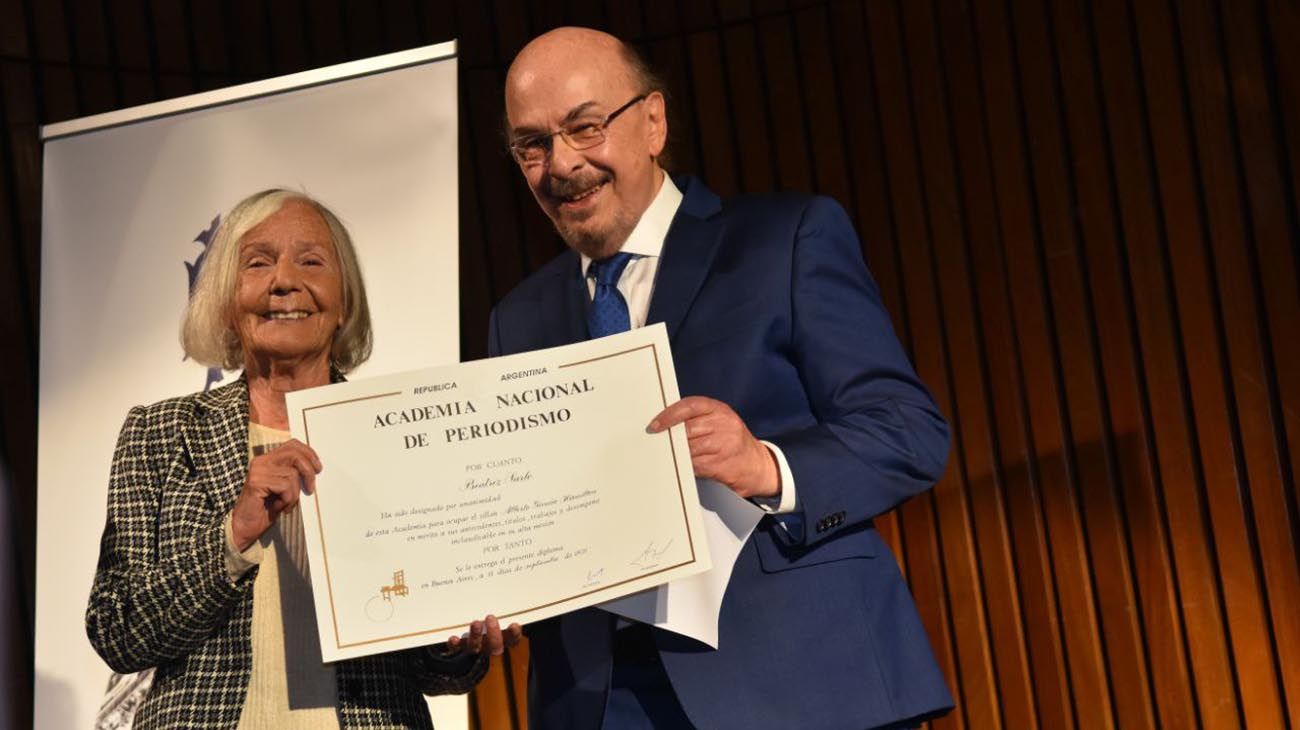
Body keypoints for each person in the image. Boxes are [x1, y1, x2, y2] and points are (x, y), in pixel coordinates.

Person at [489, 28, 954, 730]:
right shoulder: (515, 320)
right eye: (532, 144)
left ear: (653, 121)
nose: (561, 164)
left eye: (585, 127)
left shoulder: (785, 238)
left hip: (800, 679)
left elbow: (910, 433)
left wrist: (765, 464)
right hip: (598, 700)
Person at [86, 189, 520, 729]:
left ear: (345, 302)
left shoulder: (401, 435)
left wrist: (459, 644)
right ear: (225, 298)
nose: (284, 281)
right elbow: (117, 631)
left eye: (310, 261)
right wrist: (232, 536)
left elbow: (432, 671)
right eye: (258, 263)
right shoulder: (159, 434)